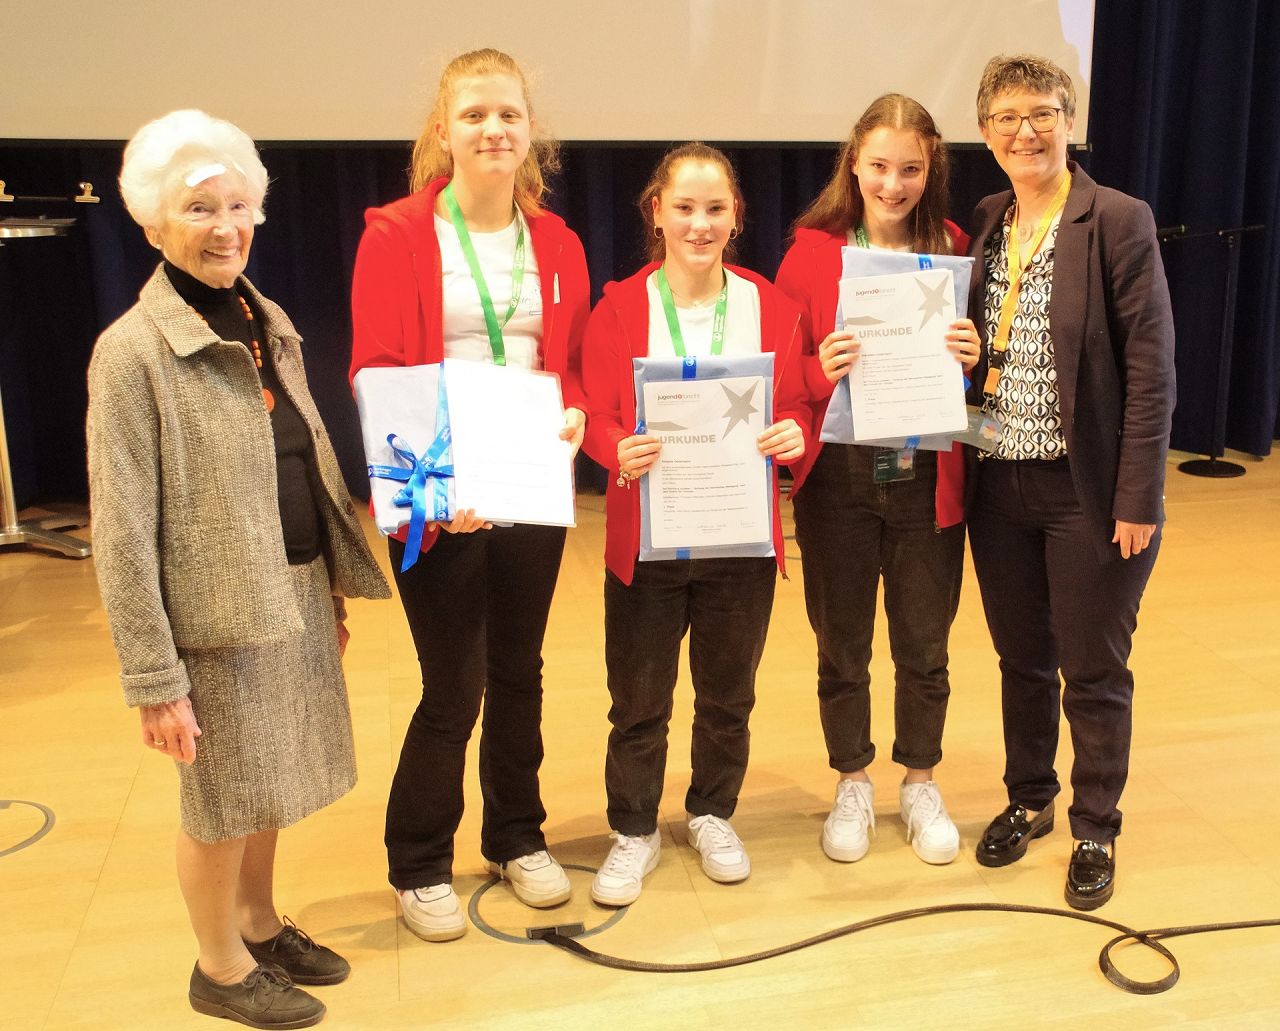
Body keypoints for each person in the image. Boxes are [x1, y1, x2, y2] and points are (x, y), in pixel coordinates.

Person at [87, 109, 390, 1029]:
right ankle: (218, 966)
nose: (225, 228)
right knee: (220, 799)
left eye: (238, 206)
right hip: (213, 617)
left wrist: (328, 586)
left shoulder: (265, 319)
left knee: (273, 776)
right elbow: (122, 530)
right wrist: (154, 678)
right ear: (152, 222)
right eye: (198, 209)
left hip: (288, 587)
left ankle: (258, 923)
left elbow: (302, 456)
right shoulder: (131, 353)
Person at [349, 48, 590, 941]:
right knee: (453, 685)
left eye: (509, 115)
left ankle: (515, 834)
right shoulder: (397, 234)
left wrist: (575, 410)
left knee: (519, 670)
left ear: (531, 132)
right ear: (443, 131)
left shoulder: (557, 241)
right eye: (475, 115)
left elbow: (567, 365)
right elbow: (375, 369)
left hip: (528, 482)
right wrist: (439, 482)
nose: (494, 129)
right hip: (438, 490)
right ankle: (418, 861)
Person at [966, 55, 1175, 909]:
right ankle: (1030, 796)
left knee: (1092, 668)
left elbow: (1152, 369)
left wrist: (1138, 495)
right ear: (985, 132)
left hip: (1085, 488)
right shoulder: (988, 220)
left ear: (1069, 122)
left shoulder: (1117, 219)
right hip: (995, 483)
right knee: (1022, 659)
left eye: (1044, 113)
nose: (1027, 131)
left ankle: (1095, 826)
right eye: (1008, 117)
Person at [581, 142, 811, 906]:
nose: (700, 224)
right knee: (638, 701)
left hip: (739, 541)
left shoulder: (770, 305)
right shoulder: (619, 307)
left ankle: (712, 811)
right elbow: (595, 411)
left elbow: (795, 405)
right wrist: (615, 445)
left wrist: (794, 431)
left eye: (715, 208)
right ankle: (634, 827)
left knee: (727, 697)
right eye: (684, 207)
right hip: (648, 542)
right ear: (657, 212)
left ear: (736, 215)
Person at [774, 95, 981, 867]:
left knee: (925, 641)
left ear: (932, 169)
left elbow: (974, 380)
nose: (893, 184)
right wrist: (816, 366)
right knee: (843, 642)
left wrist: (971, 357)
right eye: (880, 167)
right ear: (853, 164)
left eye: (911, 169)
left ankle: (920, 779)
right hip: (841, 477)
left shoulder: (954, 248)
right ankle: (853, 779)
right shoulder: (809, 255)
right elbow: (782, 380)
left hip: (927, 473)